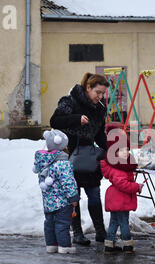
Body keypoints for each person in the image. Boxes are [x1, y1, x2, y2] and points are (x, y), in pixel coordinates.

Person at [50, 73, 109, 245]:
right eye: (97, 92)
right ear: (88, 88)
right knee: (73, 197)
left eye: (103, 94)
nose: (100, 97)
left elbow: (99, 134)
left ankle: (100, 231)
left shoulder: (100, 108)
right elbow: (55, 121)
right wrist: (76, 119)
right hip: (69, 156)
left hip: (89, 157)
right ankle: (77, 232)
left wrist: (109, 150)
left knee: (94, 194)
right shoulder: (70, 101)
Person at [33, 129, 80, 254]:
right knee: (62, 224)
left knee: (49, 224)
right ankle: (64, 247)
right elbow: (68, 182)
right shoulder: (63, 164)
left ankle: (51, 245)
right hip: (62, 202)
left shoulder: (43, 162)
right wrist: (73, 198)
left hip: (48, 201)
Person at [100, 123, 143, 254]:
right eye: (122, 150)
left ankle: (109, 244)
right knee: (124, 221)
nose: (126, 152)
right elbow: (123, 185)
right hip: (120, 198)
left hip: (117, 199)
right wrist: (136, 186)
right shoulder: (118, 168)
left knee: (114, 221)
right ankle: (127, 244)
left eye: (127, 149)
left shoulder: (121, 165)